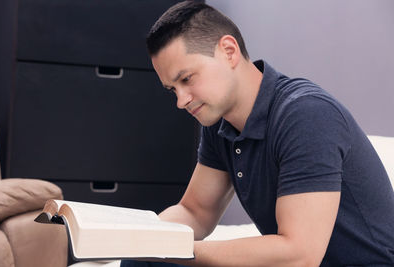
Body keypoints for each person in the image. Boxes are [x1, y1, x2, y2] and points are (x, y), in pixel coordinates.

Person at [122, 1, 394, 266]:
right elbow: (195, 211)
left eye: (186, 79)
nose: (181, 100)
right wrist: (140, 237)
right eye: (172, 89)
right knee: (141, 259)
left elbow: (298, 255)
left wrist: (177, 250)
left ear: (229, 51)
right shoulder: (219, 122)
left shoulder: (306, 114)